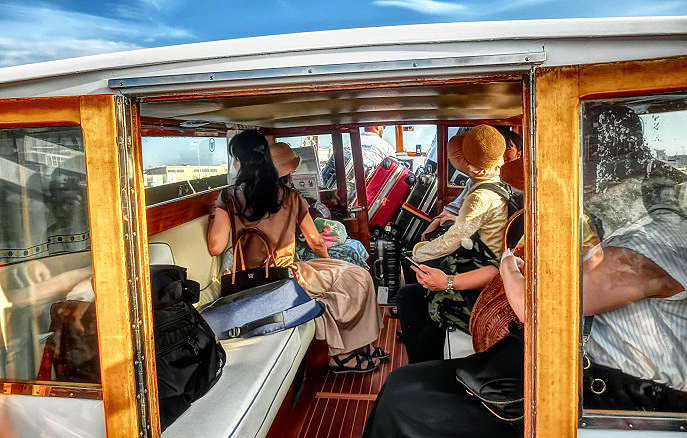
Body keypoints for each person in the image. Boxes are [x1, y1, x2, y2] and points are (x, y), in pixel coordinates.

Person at [207, 130, 386, 373]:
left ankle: (355, 348)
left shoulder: (228, 197)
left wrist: (215, 217)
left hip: (248, 280)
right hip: (286, 277)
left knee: (348, 280)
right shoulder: (290, 196)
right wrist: (327, 262)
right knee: (357, 277)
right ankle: (346, 354)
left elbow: (215, 246)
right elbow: (316, 242)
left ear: (238, 161)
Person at [395, 125, 509, 363]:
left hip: (482, 268)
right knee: (409, 295)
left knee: (409, 295)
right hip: (481, 257)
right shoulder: (498, 185)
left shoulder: (480, 196)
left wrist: (417, 253)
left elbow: (452, 240)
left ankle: (424, 365)